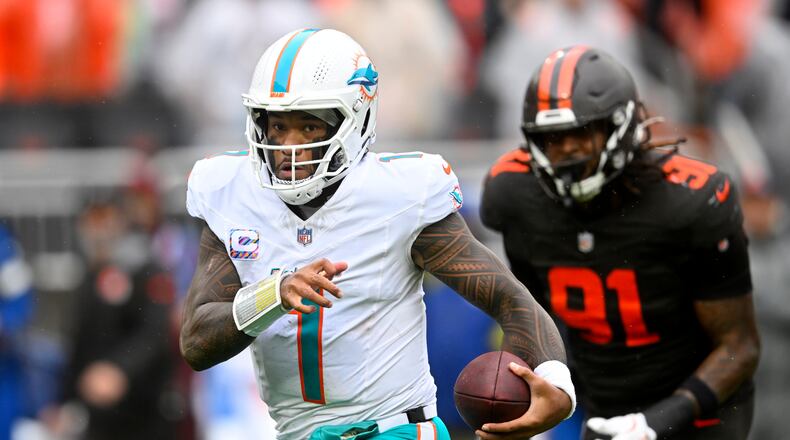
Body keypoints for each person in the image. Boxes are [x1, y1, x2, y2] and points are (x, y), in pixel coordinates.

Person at [180, 28, 575, 440]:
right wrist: (272, 295)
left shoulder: (399, 196)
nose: (288, 147)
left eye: (309, 127)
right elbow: (196, 342)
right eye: (277, 125)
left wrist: (556, 384)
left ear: (355, 121)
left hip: (394, 428)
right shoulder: (230, 192)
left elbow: (509, 299)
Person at [480, 47, 759, 440]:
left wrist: (655, 422)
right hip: (602, 404)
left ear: (621, 127)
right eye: (552, 138)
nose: (566, 151)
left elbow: (739, 347)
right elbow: (531, 313)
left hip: (700, 411)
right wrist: (533, 383)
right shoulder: (514, 193)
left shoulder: (692, 200)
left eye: (581, 133)